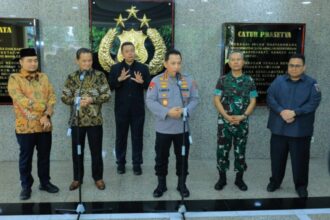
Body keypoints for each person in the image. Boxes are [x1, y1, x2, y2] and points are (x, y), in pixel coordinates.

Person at [266, 53, 321, 198]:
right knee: (277, 159)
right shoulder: (278, 81)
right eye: (291, 65)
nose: (294, 68)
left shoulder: (311, 84)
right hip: (279, 128)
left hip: (300, 130)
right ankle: (275, 182)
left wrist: (294, 113)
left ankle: (301, 186)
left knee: (300, 161)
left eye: (297, 66)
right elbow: (270, 97)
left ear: (304, 67)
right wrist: (281, 111)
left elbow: (313, 103)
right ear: (288, 66)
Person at [146, 49, 199, 198]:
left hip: (182, 128)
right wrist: (168, 112)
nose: (176, 66)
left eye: (179, 63)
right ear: (165, 63)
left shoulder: (188, 80)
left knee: (182, 157)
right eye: (173, 63)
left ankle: (182, 184)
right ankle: (161, 185)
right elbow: (150, 101)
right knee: (161, 158)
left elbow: (195, 99)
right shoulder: (156, 81)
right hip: (163, 128)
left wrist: (185, 110)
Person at [8, 48, 59, 200]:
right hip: (25, 128)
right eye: (29, 60)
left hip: (45, 126)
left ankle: (45, 182)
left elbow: (52, 96)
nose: (33, 63)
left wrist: (47, 115)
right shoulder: (14, 79)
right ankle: (26, 186)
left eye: (35, 60)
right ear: (21, 62)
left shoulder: (43, 77)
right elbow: (22, 101)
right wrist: (43, 109)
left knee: (44, 157)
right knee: (26, 158)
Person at [61, 48, 111, 191]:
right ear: (77, 61)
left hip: (95, 121)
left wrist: (92, 99)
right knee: (77, 151)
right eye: (84, 61)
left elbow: (107, 95)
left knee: (96, 151)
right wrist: (77, 100)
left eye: (89, 60)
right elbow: (64, 97)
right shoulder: (72, 77)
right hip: (77, 121)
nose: (87, 63)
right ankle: (77, 178)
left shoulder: (100, 76)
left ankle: (98, 178)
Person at [213, 51, 258, 191]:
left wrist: (243, 116)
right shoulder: (222, 80)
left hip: (242, 123)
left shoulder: (250, 81)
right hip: (224, 123)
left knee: (240, 152)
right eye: (233, 59)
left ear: (243, 62)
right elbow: (216, 100)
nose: (236, 62)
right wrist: (226, 116)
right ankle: (222, 179)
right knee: (222, 151)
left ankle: (239, 179)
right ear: (229, 62)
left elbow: (253, 101)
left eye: (239, 59)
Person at [108, 42, 151, 175]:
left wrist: (142, 83)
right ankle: (120, 164)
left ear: (135, 51)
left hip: (138, 110)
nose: (130, 53)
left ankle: (137, 164)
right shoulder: (115, 68)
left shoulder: (143, 68)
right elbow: (109, 87)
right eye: (127, 51)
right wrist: (118, 80)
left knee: (137, 137)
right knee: (121, 137)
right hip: (121, 109)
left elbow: (150, 87)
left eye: (132, 50)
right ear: (122, 53)